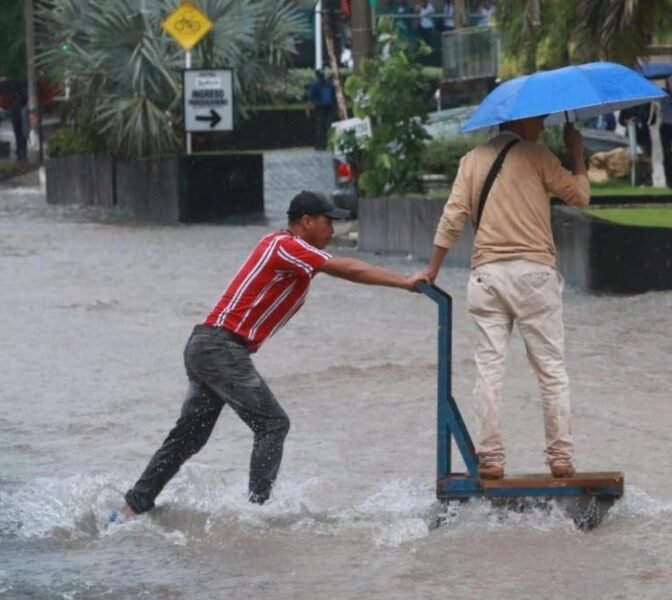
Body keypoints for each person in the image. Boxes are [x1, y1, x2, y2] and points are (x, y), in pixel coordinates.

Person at [117, 192, 424, 519]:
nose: (333, 230)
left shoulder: (295, 257)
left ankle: (131, 509)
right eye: (328, 221)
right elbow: (349, 268)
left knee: (188, 439)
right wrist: (406, 281)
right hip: (220, 346)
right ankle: (257, 513)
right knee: (273, 425)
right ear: (306, 222)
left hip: (208, 347)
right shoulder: (286, 245)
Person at [417, 118, 590, 480]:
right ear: (520, 120)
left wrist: (432, 269)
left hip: (487, 276)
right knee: (551, 370)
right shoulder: (538, 156)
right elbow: (580, 196)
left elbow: (452, 218)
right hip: (534, 276)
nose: (544, 126)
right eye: (539, 120)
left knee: (489, 370)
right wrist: (576, 153)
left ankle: (491, 459)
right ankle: (560, 458)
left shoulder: (471, 161)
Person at [306, 70, 336, 151]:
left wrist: (308, 109)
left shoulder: (314, 85)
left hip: (319, 108)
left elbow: (311, 98)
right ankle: (331, 144)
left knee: (320, 127)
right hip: (330, 108)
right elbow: (334, 97)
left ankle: (320, 145)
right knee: (329, 126)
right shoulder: (329, 84)